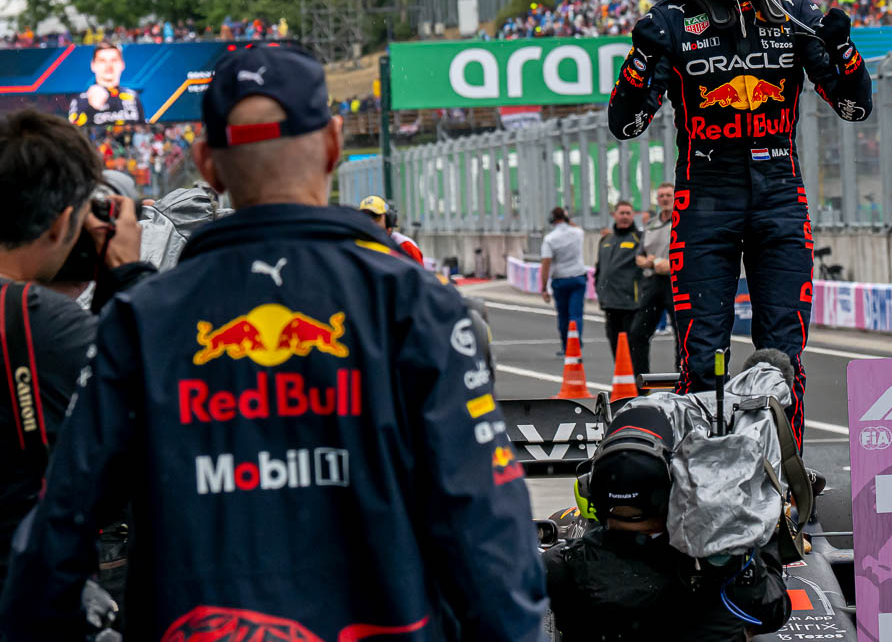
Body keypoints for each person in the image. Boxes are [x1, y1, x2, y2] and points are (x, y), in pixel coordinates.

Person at [0, 47, 547, 641]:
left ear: (207, 164)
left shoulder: (141, 319)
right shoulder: (420, 306)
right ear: (335, 144)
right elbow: (490, 533)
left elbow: (55, 537)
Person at [608, 0, 872, 447]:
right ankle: (703, 477)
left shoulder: (797, 12)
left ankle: (784, 483)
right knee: (704, 357)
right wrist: (638, 59)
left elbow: (854, 107)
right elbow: (625, 124)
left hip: (781, 195)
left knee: (781, 355)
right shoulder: (669, 22)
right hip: (705, 198)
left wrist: (845, 49)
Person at [0, 110, 151, 591]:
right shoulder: (37, 322)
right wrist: (128, 275)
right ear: (62, 220)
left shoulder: (41, 324)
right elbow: (159, 401)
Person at [543, 407, 790, 642]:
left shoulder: (560, 569)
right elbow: (774, 610)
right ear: (672, 492)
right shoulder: (719, 568)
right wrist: (765, 540)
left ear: (593, 491)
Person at [596, 201, 648, 373]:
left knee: (634, 346)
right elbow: (599, 269)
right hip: (610, 303)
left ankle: (639, 386)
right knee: (614, 344)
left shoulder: (640, 238)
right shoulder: (606, 240)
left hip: (631, 304)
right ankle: (622, 383)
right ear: (615, 215)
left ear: (633, 216)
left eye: (628, 213)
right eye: (621, 213)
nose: (624, 216)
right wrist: (599, 291)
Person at [633, 182, 676, 364]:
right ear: (657, 200)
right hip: (653, 283)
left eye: (669, 195)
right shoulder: (651, 224)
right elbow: (639, 256)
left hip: (676, 282)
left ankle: (683, 380)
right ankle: (642, 385)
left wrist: (670, 265)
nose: (665, 199)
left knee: (684, 335)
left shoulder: (683, 222)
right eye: (662, 196)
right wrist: (647, 262)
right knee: (637, 333)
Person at [540, 206, 587, 356]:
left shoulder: (550, 239)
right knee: (576, 315)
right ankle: (576, 343)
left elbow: (546, 264)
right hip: (578, 276)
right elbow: (576, 227)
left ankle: (567, 347)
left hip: (560, 279)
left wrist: (543, 287)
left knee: (563, 316)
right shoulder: (578, 233)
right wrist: (568, 219)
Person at [68, 41, 142, 127]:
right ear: (93, 65)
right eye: (102, 60)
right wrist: (91, 108)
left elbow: (141, 126)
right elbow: (73, 129)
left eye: (114, 60)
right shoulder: (81, 100)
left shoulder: (132, 96)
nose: (108, 65)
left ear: (122, 64)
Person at [358, 194, 424, 264]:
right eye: (365, 217)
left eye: (375, 216)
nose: (370, 221)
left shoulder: (405, 246)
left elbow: (420, 274)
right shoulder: (356, 246)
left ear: (389, 220)